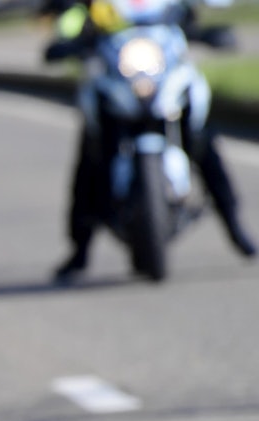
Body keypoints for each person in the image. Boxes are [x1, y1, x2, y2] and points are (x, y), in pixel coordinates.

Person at [45, 0, 256, 284]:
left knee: (202, 141)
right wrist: (70, 37)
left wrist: (204, 29)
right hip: (116, 75)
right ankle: (80, 248)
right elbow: (71, 15)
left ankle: (233, 223)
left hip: (163, 71)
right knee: (91, 155)